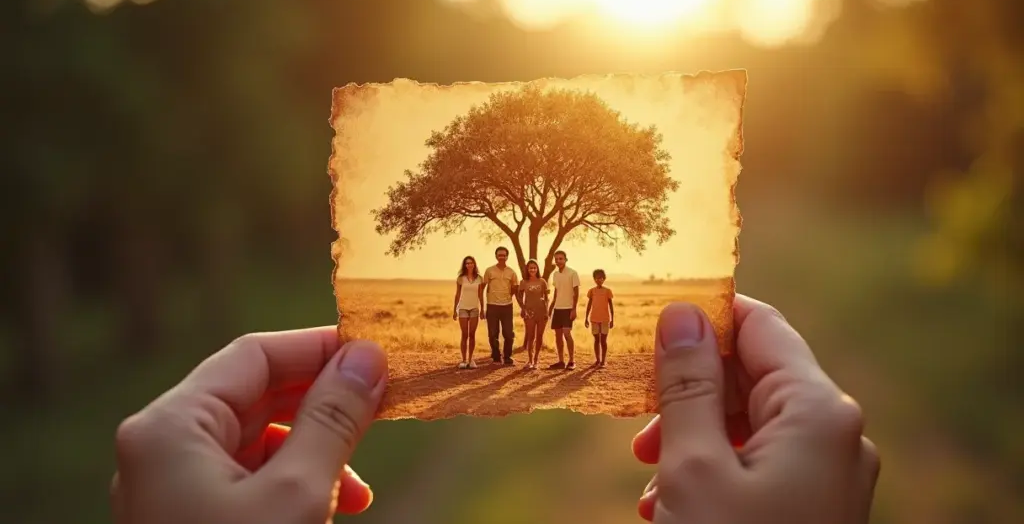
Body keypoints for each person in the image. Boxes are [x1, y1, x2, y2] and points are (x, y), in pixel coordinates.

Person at [109, 295, 881, 524]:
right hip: (492, 321)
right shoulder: (485, 280)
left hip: (596, 326)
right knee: (494, 336)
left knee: (547, 338)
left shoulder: (573, 280)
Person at [482, 246, 522, 365]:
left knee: (508, 333)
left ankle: (508, 357)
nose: (502, 257)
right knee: (493, 333)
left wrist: (518, 303)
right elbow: (482, 287)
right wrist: (481, 305)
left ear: (507, 257)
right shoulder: (489, 271)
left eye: (504, 255)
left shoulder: (512, 272)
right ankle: (496, 356)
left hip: (507, 306)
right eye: (499, 255)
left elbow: (515, 289)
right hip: (492, 306)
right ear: (496, 256)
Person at [547, 250, 580, 370]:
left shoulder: (572, 273)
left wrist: (574, 309)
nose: (558, 261)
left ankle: (571, 361)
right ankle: (561, 361)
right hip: (558, 309)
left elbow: (576, 293)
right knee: (558, 335)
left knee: (567, 333)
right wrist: (551, 307)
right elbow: (556, 291)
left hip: (568, 309)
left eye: (561, 259)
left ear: (566, 259)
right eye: (556, 259)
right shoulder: (555, 274)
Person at [452, 255, 484, 369]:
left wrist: (482, 309)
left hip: (475, 308)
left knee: (472, 335)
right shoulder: (461, 278)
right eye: (467, 263)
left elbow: (480, 295)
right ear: (464, 265)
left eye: (471, 263)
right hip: (463, 309)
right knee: (464, 334)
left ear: (474, 264)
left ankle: (471, 360)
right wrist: (454, 310)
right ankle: (464, 360)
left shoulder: (479, 278)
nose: (469, 265)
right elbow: (457, 294)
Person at [517, 259, 549, 370]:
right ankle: (529, 360)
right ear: (527, 269)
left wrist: (547, 310)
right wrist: (522, 308)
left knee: (539, 336)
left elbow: (546, 298)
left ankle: (536, 360)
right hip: (529, 312)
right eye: (530, 268)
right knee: (531, 336)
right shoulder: (523, 282)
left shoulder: (542, 281)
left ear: (537, 269)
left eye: (534, 268)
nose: (532, 270)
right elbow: (519, 296)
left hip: (541, 311)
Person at [584, 268, 614, 367]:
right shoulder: (592, 291)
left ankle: (603, 361)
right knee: (596, 339)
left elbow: (611, 306)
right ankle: (597, 359)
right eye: (596, 278)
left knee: (603, 340)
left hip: (605, 319)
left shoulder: (607, 291)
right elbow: (589, 305)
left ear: (604, 279)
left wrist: (612, 319)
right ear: (594, 279)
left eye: (601, 278)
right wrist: (586, 318)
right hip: (594, 318)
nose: (599, 280)